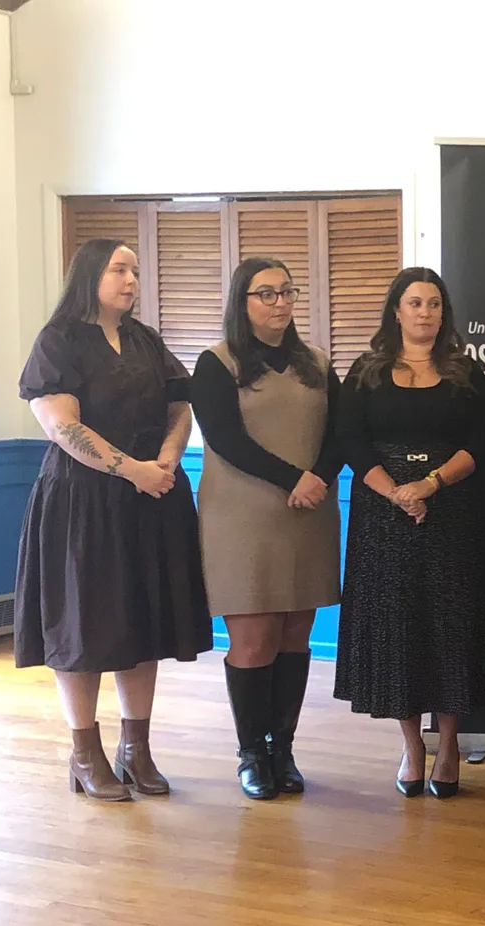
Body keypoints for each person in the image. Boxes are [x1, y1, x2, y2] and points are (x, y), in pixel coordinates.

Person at [15, 238, 211, 801]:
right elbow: (61, 424)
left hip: (151, 495)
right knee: (84, 626)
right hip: (83, 501)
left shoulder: (145, 339)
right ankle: (85, 753)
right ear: (89, 275)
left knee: (143, 623)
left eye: (134, 270)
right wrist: (132, 470)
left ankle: (135, 749)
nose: (131, 280)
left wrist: (168, 456)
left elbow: (179, 405)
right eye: (119, 269)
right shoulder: (59, 340)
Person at [335, 267, 485, 799]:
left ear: (444, 313)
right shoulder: (366, 372)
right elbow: (350, 441)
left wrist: (428, 484)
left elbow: (483, 443)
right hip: (382, 517)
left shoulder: (467, 373)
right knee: (396, 627)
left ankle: (448, 745)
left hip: (451, 513)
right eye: (415, 303)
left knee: (449, 626)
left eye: (434, 303)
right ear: (396, 311)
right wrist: (396, 493)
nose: (425, 312)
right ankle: (412, 745)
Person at [191, 257, 342, 800]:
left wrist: (318, 478)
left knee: (295, 636)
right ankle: (251, 753)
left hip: (308, 514)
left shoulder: (317, 362)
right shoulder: (216, 363)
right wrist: (293, 479)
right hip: (242, 518)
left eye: (287, 291)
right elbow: (224, 438)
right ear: (243, 301)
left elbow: (341, 432)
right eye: (266, 294)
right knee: (254, 639)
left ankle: (284, 750)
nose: (280, 302)